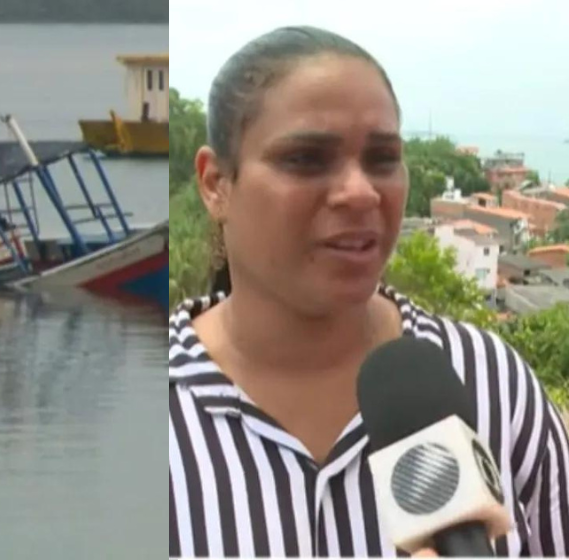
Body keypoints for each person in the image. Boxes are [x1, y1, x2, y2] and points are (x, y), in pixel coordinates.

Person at [168, 26, 569, 558]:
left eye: (382, 159)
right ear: (215, 183)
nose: (360, 192)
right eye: (306, 159)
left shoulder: (493, 385)